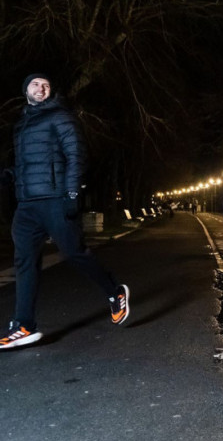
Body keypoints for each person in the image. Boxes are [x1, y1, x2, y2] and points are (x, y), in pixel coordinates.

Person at [0, 73, 130, 349]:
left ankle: (114, 292)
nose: (41, 88)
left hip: (55, 199)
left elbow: (75, 155)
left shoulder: (60, 116)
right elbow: (28, 163)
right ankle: (24, 325)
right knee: (24, 262)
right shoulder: (21, 124)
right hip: (27, 205)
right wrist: (10, 175)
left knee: (73, 252)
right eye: (35, 84)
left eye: (46, 84)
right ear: (25, 90)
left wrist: (72, 193)